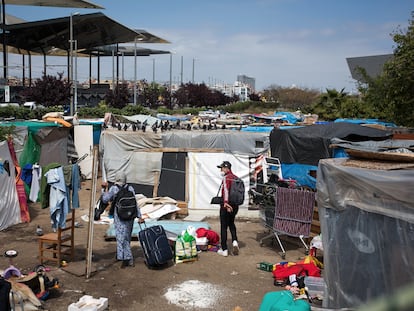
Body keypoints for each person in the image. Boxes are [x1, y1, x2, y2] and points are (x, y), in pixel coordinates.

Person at [101, 171, 142, 268]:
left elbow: (105, 199)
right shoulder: (130, 188)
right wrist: (139, 215)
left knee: (120, 238)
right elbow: (135, 203)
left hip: (120, 217)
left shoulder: (114, 189)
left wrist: (103, 190)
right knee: (127, 237)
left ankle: (126, 258)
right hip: (130, 216)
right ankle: (123, 256)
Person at [216, 161, 240, 257]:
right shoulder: (236, 178)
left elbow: (226, 190)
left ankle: (224, 249)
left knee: (223, 227)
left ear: (226, 168)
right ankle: (234, 241)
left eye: (222, 168)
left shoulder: (227, 178)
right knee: (231, 223)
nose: (221, 170)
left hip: (226, 206)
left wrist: (226, 203)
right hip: (235, 206)